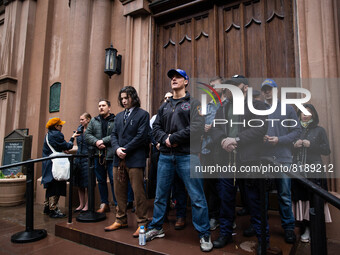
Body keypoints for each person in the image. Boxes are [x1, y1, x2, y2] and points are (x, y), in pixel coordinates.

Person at [146, 69, 213, 252]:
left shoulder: (194, 103)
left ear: (186, 81)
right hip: (166, 157)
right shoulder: (165, 106)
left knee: (197, 197)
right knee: (161, 196)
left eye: (177, 77)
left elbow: (197, 127)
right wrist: (164, 139)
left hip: (187, 156)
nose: (173, 79)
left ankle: (204, 233)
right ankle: (157, 227)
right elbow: (156, 127)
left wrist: (172, 138)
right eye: (171, 77)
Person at [211, 75, 268, 254]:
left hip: (249, 161)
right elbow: (216, 128)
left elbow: (260, 128)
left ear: (244, 87)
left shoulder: (257, 105)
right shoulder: (223, 108)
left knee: (254, 201)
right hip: (226, 161)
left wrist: (236, 139)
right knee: (226, 199)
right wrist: (222, 141)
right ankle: (226, 233)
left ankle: (262, 240)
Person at [105, 86, 149, 238]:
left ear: (133, 98)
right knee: (119, 192)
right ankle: (120, 219)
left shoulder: (143, 114)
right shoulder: (117, 116)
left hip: (135, 159)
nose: (124, 101)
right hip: (118, 158)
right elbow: (113, 135)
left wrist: (125, 149)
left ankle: (142, 223)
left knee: (138, 193)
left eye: (127, 98)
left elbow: (141, 136)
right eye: (122, 98)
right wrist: (117, 149)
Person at [260, 79, 301, 244]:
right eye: (264, 89)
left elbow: (297, 131)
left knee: (284, 194)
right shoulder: (257, 109)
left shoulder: (287, 108)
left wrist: (280, 139)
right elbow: (250, 128)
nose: (267, 92)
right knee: (261, 195)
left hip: (283, 158)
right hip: (262, 158)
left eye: (270, 89)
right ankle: (261, 227)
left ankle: (289, 228)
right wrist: (260, 137)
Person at [292, 103, 331, 243]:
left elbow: (326, 150)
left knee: (315, 200)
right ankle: (306, 229)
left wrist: (311, 145)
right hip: (299, 171)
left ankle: (317, 230)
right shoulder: (294, 130)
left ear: (313, 114)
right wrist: (293, 145)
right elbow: (287, 149)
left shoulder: (319, 130)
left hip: (315, 171)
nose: (305, 114)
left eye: (308, 112)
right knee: (302, 199)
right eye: (302, 112)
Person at [149, 91, 188, 229]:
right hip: (162, 154)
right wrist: (161, 141)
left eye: (169, 97)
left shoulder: (182, 110)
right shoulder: (159, 114)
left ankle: (180, 215)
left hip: (180, 154)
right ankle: (160, 218)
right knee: (161, 189)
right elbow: (154, 130)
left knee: (179, 188)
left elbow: (186, 129)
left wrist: (172, 139)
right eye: (165, 98)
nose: (167, 99)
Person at [201, 76, 226, 231]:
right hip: (206, 150)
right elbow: (199, 124)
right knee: (209, 186)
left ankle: (226, 218)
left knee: (223, 186)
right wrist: (203, 128)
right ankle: (213, 216)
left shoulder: (228, 104)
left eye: (215, 86)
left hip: (222, 150)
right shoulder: (207, 106)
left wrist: (214, 126)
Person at [84, 99, 116, 213]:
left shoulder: (115, 120)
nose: (101, 107)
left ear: (109, 108)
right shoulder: (94, 121)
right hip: (98, 155)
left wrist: (103, 141)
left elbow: (116, 135)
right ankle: (104, 204)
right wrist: (96, 142)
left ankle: (117, 204)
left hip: (112, 155)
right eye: (99, 106)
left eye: (103, 105)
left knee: (114, 180)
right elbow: (87, 135)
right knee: (101, 180)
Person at [42, 117, 78, 218]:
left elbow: (56, 147)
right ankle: (53, 209)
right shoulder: (57, 134)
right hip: (55, 164)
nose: (62, 127)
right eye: (60, 125)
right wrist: (72, 138)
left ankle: (47, 207)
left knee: (49, 186)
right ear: (56, 126)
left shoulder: (48, 135)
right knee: (56, 186)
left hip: (48, 163)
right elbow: (67, 146)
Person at [74, 113, 91, 212]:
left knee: (87, 183)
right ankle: (81, 204)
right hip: (78, 158)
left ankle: (88, 205)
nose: (81, 121)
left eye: (82, 119)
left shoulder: (91, 129)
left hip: (87, 158)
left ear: (88, 120)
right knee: (79, 183)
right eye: (80, 119)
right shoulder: (79, 129)